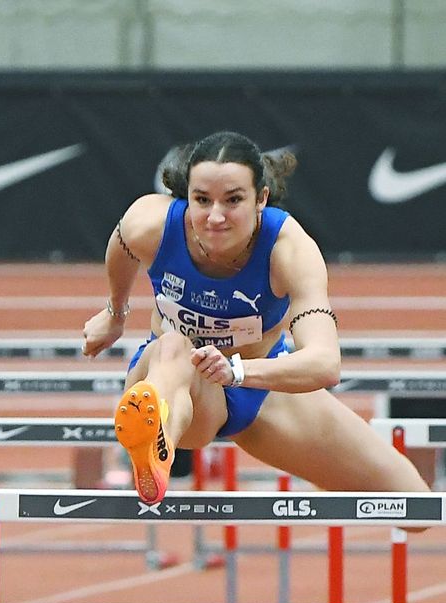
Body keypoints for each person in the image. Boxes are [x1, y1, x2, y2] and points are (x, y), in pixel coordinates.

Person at [81, 130, 429, 505]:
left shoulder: (289, 249)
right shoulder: (149, 223)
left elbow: (325, 364)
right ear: (186, 197)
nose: (215, 216)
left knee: (412, 503)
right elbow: (121, 245)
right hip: (176, 385)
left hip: (259, 386)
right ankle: (155, 446)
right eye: (202, 200)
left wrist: (237, 372)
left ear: (260, 198)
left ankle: (157, 438)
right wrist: (115, 312)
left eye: (233, 200)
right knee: (174, 347)